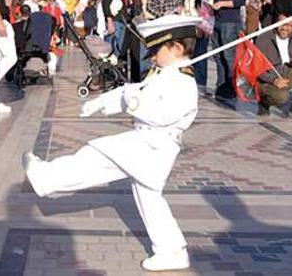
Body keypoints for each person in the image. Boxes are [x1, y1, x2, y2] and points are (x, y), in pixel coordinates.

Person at [23, 15, 203, 272]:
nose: (151, 56)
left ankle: (47, 177)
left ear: (176, 49)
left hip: (154, 145)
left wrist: (135, 102)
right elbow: (134, 92)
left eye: (156, 50)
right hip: (149, 142)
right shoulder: (166, 73)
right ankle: (172, 251)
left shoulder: (183, 82)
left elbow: (163, 114)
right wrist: (101, 104)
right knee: (149, 199)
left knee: (96, 155)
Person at [256, 13, 292, 117]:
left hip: (284, 74)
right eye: (282, 24)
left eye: (289, 25)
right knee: (282, 96)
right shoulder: (264, 39)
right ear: (276, 24)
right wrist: (274, 80)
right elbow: (257, 68)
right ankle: (264, 103)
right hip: (266, 80)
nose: (285, 28)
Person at [210, 0, 246, 100]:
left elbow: (241, 0)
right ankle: (221, 86)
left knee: (229, 56)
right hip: (218, 20)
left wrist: (222, 3)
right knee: (218, 56)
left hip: (230, 22)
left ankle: (231, 88)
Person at [181, 0, 213, 87]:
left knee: (201, 56)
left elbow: (209, 12)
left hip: (201, 30)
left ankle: (201, 83)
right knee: (191, 56)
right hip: (189, 30)